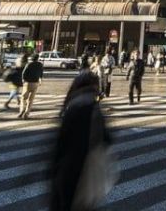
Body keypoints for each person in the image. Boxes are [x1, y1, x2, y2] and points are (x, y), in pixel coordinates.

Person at [50, 72, 114, 210]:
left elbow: (60, 142)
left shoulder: (73, 103)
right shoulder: (91, 106)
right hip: (83, 168)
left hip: (66, 168)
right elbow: (107, 139)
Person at [19, 53, 44, 119]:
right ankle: (26, 114)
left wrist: (23, 80)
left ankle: (22, 110)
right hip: (35, 83)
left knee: (23, 98)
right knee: (31, 100)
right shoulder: (40, 65)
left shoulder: (29, 64)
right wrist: (40, 80)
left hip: (27, 83)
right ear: (37, 58)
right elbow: (41, 74)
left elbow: (23, 73)